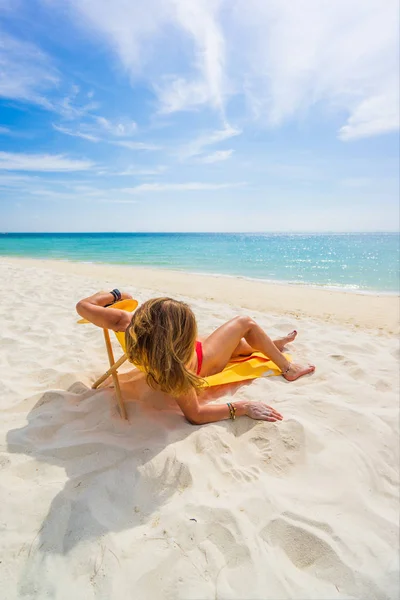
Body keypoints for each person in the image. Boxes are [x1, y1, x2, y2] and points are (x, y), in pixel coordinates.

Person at [76, 289, 315, 425]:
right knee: (245, 323)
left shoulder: (124, 323)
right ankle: (287, 367)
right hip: (203, 361)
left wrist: (116, 295)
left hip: (178, 350)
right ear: (182, 338)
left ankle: (271, 344)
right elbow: (195, 415)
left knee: (235, 344)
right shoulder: (175, 370)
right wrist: (243, 407)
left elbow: (83, 305)